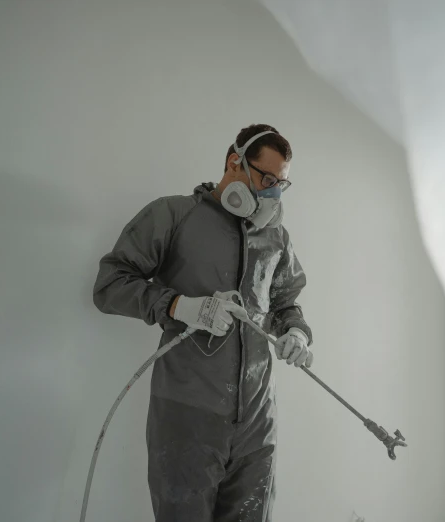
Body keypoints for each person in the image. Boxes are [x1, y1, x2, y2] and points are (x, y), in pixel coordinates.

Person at [92, 124, 313, 521]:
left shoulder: (275, 237)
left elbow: (286, 303)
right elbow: (110, 285)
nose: (273, 193)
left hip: (257, 425)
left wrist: (296, 331)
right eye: (266, 179)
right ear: (235, 163)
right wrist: (179, 306)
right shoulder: (174, 216)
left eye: (282, 184)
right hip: (187, 417)